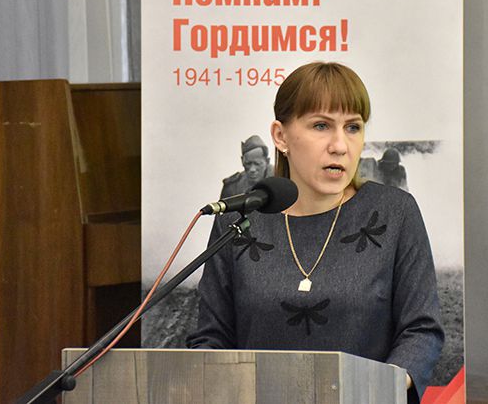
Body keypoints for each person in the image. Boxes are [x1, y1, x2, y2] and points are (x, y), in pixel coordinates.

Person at [187, 62, 443, 403]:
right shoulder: (238, 220)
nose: (340, 145)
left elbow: (422, 330)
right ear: (281, 136)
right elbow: (211, 338)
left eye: (353, 127)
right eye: (321, 126)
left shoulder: (395, 212)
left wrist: (379, 389)